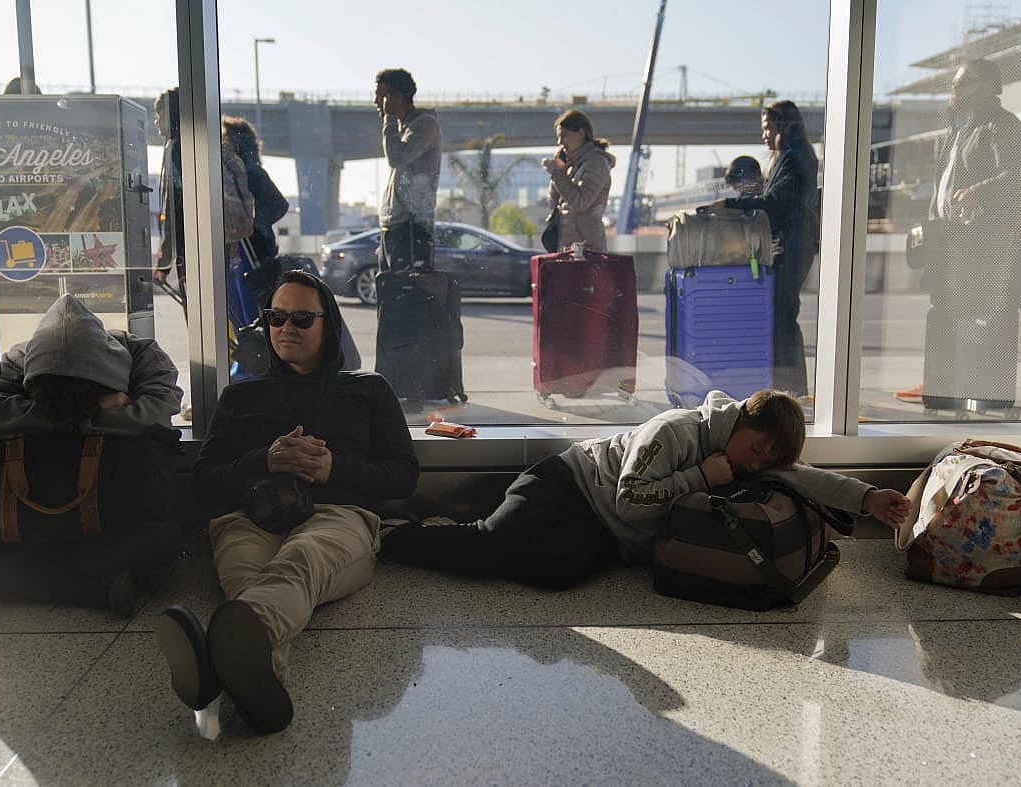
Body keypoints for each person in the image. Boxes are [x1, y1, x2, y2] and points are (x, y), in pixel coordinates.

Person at [156, 270, 418, 735]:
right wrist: (263, 460)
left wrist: (333, 469)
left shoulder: (368, 390)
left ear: (328, 325)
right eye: (276, 318)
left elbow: (403, 476)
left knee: (302, 558)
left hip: (338, 516)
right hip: (249, 516)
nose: (286, 328)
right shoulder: (241, 396)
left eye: (301, 318)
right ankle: (258, 684)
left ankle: (212, 667)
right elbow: (204, 485)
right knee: (248, 578)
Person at [381, 389, 910, 591]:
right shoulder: (675, 431)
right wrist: (701, 479)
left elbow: (800, 476)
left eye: (767, 460)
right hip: (569, 482)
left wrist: (867, 498)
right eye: (756, 450)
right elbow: (629, 500)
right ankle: (391, 535)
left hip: (608, 533)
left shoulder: (750, 459)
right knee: (488, 549)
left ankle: (484, 522)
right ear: (741, 421)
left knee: (555, 575)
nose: (757, 464)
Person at [0, 294, 184, 616]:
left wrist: (42, 417)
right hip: (32, 519)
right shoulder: (20, 359)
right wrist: (91, 412)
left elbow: (156, 412)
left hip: (89, 512)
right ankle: (79, 588)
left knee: (166, 537)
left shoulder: (144, 356)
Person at [893, 58, 1021, 408]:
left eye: (962, 83)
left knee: (989, 322)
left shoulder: (1002, 126)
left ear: (989, 86)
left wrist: (979, 192)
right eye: (954, 84)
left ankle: (987, 402)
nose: (954, 90)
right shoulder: (960, 128)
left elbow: (1019, 176)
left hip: (984, 246)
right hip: (952, 242)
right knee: (944, 315)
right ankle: (943, 397)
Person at [724, 100, 821, 399]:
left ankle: (791, 390)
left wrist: (730, 205)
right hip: (791, 243)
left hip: (792, 245)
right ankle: (789, 388)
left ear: (783, 126)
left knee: (783, 318)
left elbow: (776, 204)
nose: (764, 134)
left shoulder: (794, 159)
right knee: (782, 316)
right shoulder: (789, 157)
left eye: (768, 127)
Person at [374, 68, 442, 271]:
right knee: (388, 286)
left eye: (380, 96)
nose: (376, 102)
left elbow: (397, 158)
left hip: (411, 227)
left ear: (395, 97)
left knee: (406, 287)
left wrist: (389, 118)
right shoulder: (401, 128)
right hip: (394, 225)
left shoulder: (425, 125)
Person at [222, 115, 290, 271]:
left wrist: (257, 224)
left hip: (254, 246)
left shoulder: (250, 173)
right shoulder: (242, 171)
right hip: (256, 243)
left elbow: (280, 205)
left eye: (225, 138)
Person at [543, 109, 616, 251]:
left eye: (564, 136)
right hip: (565, 246)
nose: (560, 142)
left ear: (581, 133)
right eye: (558, 137)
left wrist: (557, 174)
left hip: (587, 248)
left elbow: (581, 203)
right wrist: (559, 171)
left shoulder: (597, 163)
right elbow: (553, 203)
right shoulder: (571, 165)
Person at [153, 88, 185, 307]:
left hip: (189, 252)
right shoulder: (194, 144)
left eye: (159, 114)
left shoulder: (176, 149)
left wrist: (164, 264)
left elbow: (174, 209)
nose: (156, 121)